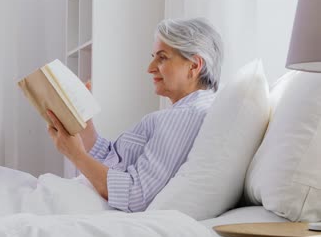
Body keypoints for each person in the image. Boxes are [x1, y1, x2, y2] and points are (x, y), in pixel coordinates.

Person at [46, 18, 223, 213]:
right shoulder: (181, 113)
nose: (150, 67)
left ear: (194, 65)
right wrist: (83, 121)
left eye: (162, 57)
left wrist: (76, 155)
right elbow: (113, 159)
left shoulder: (185, 117)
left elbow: (136, 195)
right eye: (154, 56)